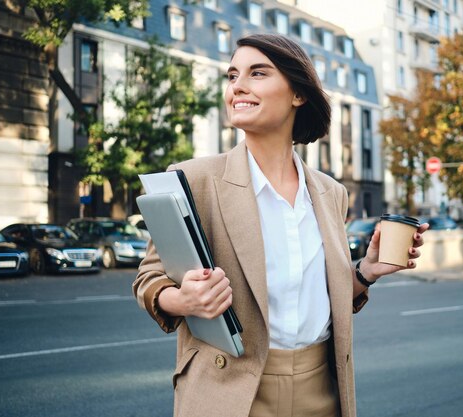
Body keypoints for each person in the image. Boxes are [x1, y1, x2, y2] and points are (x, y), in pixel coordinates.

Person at [133, 33, 429, 417]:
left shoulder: (330, 192)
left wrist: (367, 271)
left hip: (322, 387)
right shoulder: (193, 180)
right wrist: (182, 299)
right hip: (231, 391)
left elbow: (319, 295)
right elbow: (149, 280)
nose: (237, 86)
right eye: (232, 75)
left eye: (258, 73)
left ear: (298, 94)